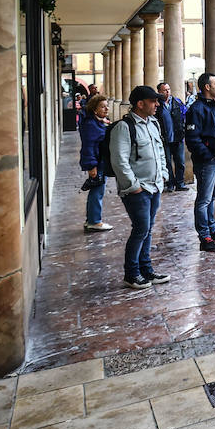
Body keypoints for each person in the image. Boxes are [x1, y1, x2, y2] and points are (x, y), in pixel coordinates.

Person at [108, 85, 171, 289]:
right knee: (141, 229)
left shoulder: (153, 123)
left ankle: (146, 269)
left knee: (147, 229)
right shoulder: (124, 127)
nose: (157, 104)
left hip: (154, 186)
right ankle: (131, 273)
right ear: (140, 104)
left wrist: (163, 174)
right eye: (153, 101)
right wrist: (133, 186)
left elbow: (160, 151)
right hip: (138, 189)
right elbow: (119, 161)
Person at [183, 72, 215, 253]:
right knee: (204, 199)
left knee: (212, 197)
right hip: (208, 160)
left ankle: (212, 230)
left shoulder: (214, 106)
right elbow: (192, 138)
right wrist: (208, 155)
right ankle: (204, 236)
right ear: (207, 87)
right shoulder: (196, 109)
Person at [78, 94, 113, 232]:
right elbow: (88, 146)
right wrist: (91, 166)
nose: (106, 109)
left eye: (106, 106)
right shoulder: (91, 124)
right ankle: (94, 221)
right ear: (94, 109)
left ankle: (91, 219)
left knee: (97, 190)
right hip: (97, 163)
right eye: (102, 106)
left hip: (101, 162)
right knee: (97, 191)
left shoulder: (98, 121)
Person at [155, 82, 188, 192]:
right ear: (159, 92)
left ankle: (180, 183)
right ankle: (170, 183)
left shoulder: (177, 102)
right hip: (164, 139)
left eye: (168, 89)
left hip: (178, 138)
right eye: (164, 90)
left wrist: (183, 130)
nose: (167, 92)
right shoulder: (157, 105)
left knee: (180, 162)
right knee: (167, 162)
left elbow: (185, 115)